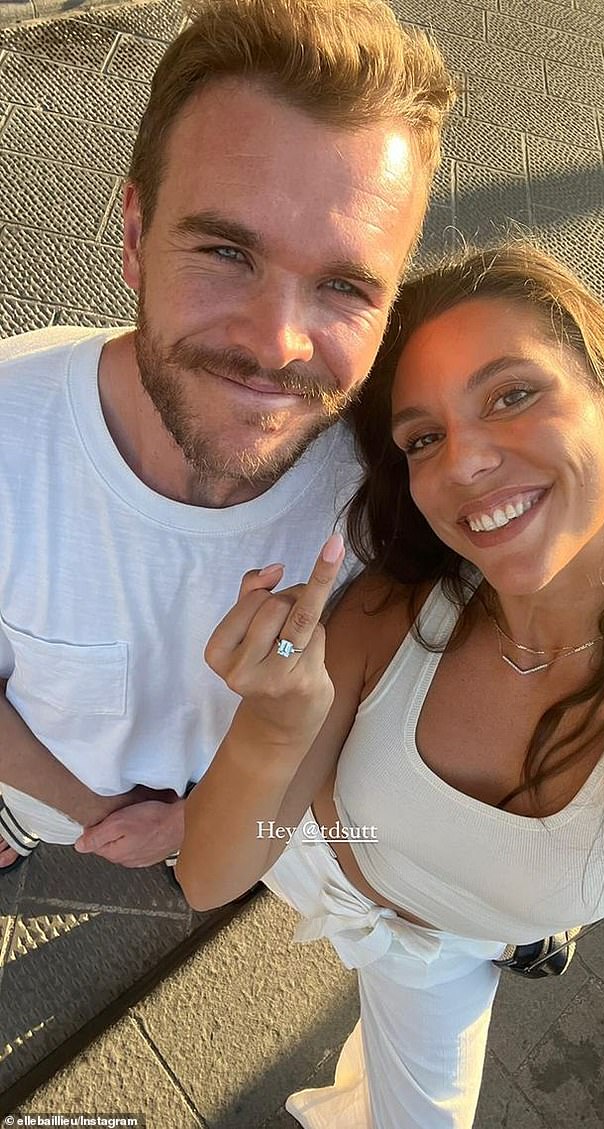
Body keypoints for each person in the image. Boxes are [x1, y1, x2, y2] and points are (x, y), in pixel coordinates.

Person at [177, 241, 604, 1128]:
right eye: (424, 437)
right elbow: (211, 875)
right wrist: (273, 733)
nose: (462, 464)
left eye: (513, 394)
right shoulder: (394, 617)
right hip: (313, 858)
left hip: (441, 952)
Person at [0, 0, 456, 872]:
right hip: (46, 793)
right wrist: (85, 811)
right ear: (134, 237)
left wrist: (195, 828)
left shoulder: (398, 491)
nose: (275, 344)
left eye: (345, 287)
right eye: (225, 253)